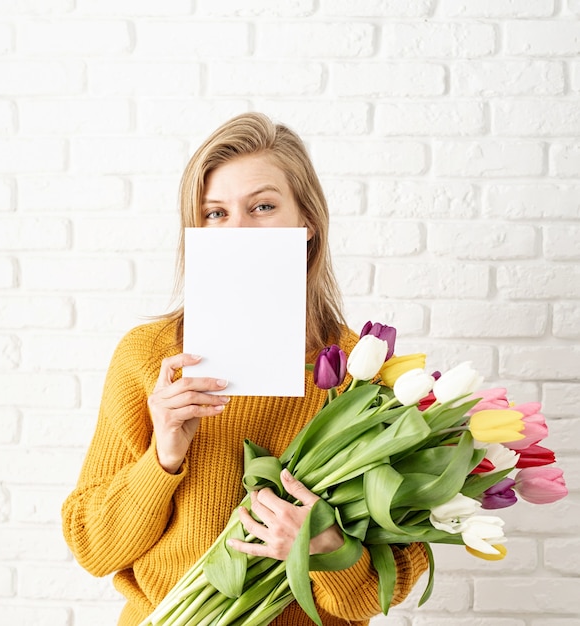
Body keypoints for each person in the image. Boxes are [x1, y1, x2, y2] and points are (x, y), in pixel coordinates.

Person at [61, 112, 428, 626]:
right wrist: (163, 457)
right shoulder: (149, 357)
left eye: (262, 206)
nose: (237, 230)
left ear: (308, 224)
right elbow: (93, 548)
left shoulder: (363, 371)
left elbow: (386, 587)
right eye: (214, 213)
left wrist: (323, 548)